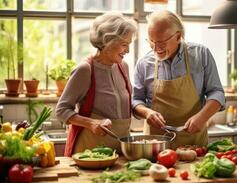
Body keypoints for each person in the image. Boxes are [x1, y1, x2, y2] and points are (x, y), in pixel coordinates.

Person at [132, 10, 225, 149]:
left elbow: (217, 92)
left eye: (161, 43)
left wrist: (202, 117)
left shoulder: (201, 55)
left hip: (194, 144)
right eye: (151, 42)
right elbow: (136, 100)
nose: (156, 49)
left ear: (178, 36)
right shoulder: (143, 63)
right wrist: (147, 113)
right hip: (156, 146)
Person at [56, 13, 137, 156]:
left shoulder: (123, 66)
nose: (128, 50)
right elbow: (62, 111)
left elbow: (125, 105)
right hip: (90, 151)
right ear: (108, 41)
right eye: (124, 44)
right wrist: (92, 123)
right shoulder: (85, 70)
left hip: (119, 151)